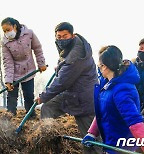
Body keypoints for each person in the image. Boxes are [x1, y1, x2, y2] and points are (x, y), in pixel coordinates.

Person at [35, 22, 101, 154]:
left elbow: (62, 82)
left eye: (65, 36)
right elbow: (66, 70)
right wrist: (60, 68)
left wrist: (43, 96)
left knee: (90, 138)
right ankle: (48, 138)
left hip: (84, 99)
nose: (61, 39)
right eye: (58, 36)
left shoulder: (77, 54)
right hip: (72, 94)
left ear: (72, 35)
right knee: (48, 107)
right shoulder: (71, 47)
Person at [82, 45, 144, 154]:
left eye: (99, 66)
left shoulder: (122, 90)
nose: (99, 69)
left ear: (104, 66)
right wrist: (92, 133)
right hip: (110, 145)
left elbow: (134, 121)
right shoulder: (107, 87)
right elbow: (102, 113)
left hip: (122, 148)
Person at [1, 17, 47, 116]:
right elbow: (7, 62)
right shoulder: (5, 42)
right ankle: (9, 117)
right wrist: (8, 80)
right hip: (13, 72)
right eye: (4, 31)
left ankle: (31, 115)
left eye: (8, 30)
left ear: (15, 26)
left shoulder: (29, 34)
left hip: (28, 70)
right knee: (12, 96)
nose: (7, 33)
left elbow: (37, 49)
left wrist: (41, 63)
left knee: (29, 95)